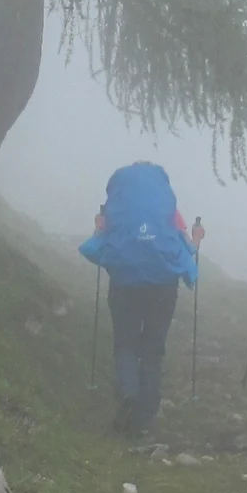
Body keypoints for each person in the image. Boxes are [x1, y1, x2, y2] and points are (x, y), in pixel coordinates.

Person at [78, 162, 199, 438]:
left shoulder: (116, 208)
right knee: (153, 347)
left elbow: (99, 241)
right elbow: (187, 246)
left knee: (126, 342)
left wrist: (99, 226)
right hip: (163, 285)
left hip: (124, 282)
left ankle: (128, 393)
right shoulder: (168, 212)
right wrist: (197, 237)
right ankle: (145, 416)